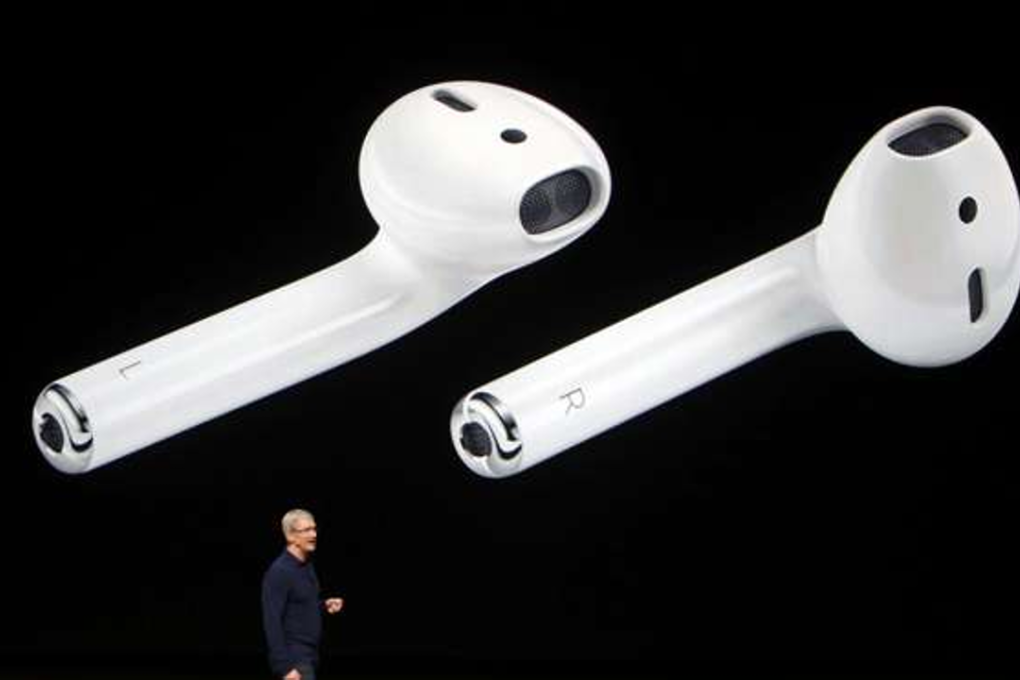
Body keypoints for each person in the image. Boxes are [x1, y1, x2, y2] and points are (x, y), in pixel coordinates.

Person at [261, 509, 344, 680]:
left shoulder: (307, 565)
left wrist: (323, 605)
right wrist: (284, 668)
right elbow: (272, 621)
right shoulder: (279, 572)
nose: (313, 534)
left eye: (314, 529)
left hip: (310, 656)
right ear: (290, 536)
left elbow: (300, 604)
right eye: (306, 530)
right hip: (294, 661)